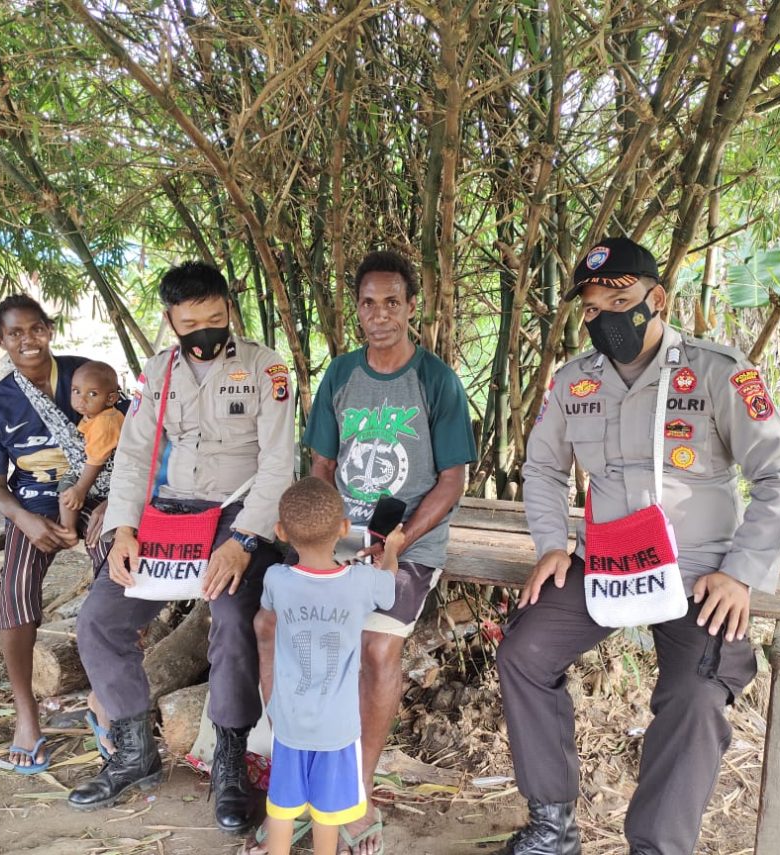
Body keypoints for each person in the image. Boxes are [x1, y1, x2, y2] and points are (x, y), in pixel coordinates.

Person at [495, 237, 780, 855]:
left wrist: (741, 573)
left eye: (618, 299)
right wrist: (553, 543)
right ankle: (552, 825)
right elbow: (544, 470)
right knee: (524, 653)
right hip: (607, 560)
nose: (603, 317)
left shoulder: (719, 372)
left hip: (701, 571)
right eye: (589, 308)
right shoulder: (572, 383)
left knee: (694, 694)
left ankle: (657, 847)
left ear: (655, 298)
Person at [251, 250, 476, 854]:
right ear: (358, 309)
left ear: (410, 308)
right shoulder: (342, 374)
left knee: (377, 649)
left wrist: (398, 540)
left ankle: (354, 793)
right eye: (369, 304)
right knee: (274, 623)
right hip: (338, 533)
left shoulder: (435, 379)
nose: (380, 316)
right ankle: (295, 781)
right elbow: (322, 465)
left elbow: (452, 479)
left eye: (392, 303)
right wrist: (315, 537)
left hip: (408, 540)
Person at [68, 262, 295, 831]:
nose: (204, 331)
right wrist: (123, 529)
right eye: (190, 321)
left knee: (234, 614)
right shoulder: (159, 371)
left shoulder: (265, 368)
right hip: (170, 515)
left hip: (239, 511)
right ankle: (133, 750)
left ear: (229, 311)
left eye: (215, 318)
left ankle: (228, 758)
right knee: (99, 617)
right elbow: (137, 457)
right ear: (170, 320)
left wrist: (244, 540)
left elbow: (277, 463)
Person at [0, 295, 116, 773]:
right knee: (14, 588)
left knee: (118, 565)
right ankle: (26, 715)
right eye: (15, 333)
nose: (27, 340)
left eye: (35, 329)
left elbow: (135, 441)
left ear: (49, 330)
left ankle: (106, 699)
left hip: (98, 489)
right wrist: (25, 521)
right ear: (1, 340)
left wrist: (114, 502)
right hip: (31, 499)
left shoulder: (87, 375)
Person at [255, 477, 402, 855]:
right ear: (343, 528)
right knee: (329, 812)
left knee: (283, 804)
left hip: (288, 721)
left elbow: (268, 617)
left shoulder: (276, 579)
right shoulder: (361, 583)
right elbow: (388, 587)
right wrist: (392, 551)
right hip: (338, 728)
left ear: (281, 532)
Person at [58, 360, 124, 537]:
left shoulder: (105, 422)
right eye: (76, 391)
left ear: (111, 398)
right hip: (96, 470)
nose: (81, 399)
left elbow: (96, 459)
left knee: (67, 486)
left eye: (92, 394)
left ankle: (68, 529)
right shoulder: (93, 415)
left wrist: (80, 489)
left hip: (107, 475)